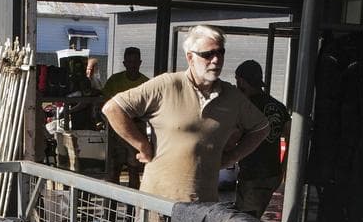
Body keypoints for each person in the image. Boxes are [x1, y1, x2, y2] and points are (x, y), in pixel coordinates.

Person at [102, 25, 269, 203]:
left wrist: (233, 156)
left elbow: (261, 127)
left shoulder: (232, 97)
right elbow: (112, 108)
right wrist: (141, 144)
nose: (216, 60)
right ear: (190, 57)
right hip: (158, 203)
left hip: (203, 207)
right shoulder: (167, 85)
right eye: (208, 54)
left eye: (220, 53)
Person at [231, 59, 290, 218]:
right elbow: (291, 136)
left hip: (252, 174)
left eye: (238, 81)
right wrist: (283, 169)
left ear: (242, 80)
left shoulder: (245, 106)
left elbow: (233, 135)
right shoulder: (279, 106)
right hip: (273, 173)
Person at [101, 47, 150, 188]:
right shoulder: (114, 81)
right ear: (124, 63)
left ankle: (131, 208)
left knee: (134, 169)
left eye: (135, 61)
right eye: (129, 61)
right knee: (113, 170)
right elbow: (104, 104)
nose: (132, 65)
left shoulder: (146, 83)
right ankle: (111, 208)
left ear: (140, 63)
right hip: (116, 130)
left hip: (136, 128)